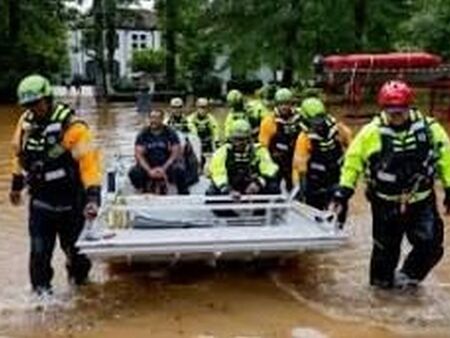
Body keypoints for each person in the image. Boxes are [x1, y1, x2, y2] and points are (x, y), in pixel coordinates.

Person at [330, 80, 450, 290]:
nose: (396, 115)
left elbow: (446, 159)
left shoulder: (431, 130)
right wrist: (343, 192)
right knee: (385, 253)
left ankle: (409, 277)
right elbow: (352, 162)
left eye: (400, 110)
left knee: (431, 245)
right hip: (385, 203)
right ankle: (380, 294)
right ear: (383, 109)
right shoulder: (370, 133)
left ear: (409, 107)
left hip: (421, 201)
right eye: (391, 111)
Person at [9, 74, 101, 296]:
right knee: (39, 256)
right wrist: (16, 184)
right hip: (41, 203)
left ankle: (81, 292)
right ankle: (41, 300)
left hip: (71, 203)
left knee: (77, 258)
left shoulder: (74, 127)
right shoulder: (25, 123)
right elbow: (18, 155)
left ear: (48, 99)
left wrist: (92, 198)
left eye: (37, 103)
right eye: (29, 105)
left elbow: (89, 165)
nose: (34, 109)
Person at [292, 97, 352, 215]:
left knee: (339, 210)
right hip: (314, 181)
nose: (318, 124)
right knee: (314, 212)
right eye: (314, 121)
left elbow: (352, 145)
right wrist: (299, 187)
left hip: (336, 177)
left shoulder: (338, 129)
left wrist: (349, 163)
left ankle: (338, 226)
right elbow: (299, 164)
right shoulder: (304, 138)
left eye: (320, 119)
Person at [207, 119, 280, 198]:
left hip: (253, 185)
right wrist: (228, 190)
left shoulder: (259, 151)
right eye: (236, 139)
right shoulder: (222, 152)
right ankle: (227, 209)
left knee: (273, 187)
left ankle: (260, 209)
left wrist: (258, 183)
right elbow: (218, 173)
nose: (239, 143)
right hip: (231, 185)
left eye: (242, 139)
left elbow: (269, 169)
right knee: (212, 192)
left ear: (248, 139)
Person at [128, 109, 189, 195]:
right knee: (134, 172)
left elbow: (175, 153)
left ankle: (183, 195)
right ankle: (143, 191)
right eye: (152, 118)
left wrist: (164, 168)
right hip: (149, 166)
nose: (154, 121)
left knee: (180, 170)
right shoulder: (143, 134)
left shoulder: (170, 133)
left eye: (157, 118)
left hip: (167, 166)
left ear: (162, 119)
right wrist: (149, 170)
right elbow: (139, 155)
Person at [259, 88, 303, 191]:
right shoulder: (269, 121)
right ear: (276, 105)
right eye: (281, 104)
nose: (284, 107)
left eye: (287, 103)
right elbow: (263, 146)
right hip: (276, 160)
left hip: (295, 158)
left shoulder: (300, 118)